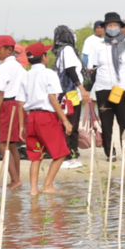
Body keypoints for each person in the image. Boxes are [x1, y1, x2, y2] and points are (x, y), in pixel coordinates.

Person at [20, 43, 72, 195]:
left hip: (31, 117)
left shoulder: (26, 75)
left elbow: (20, 102)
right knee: (61, 152)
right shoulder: (49, 73)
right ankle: (48, 185)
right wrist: (65, 120)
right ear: (43, 57)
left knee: (36, 156)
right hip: (46, 117)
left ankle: (34, 189)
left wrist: (23, 125)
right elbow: (53, 98)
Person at [91, 11, 125, 161]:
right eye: (109, 25)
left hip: (123, 87)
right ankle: (110, 152)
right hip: (103, 88)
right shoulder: (98, 45)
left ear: (120, 27)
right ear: (105, 27)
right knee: (106, 123)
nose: (112, 27)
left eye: (115, 25)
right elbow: (92, 69)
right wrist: (89, 92)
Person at [0, 34, 26, 185]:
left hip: (8, 104)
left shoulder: (3, 67)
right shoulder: (20, 67)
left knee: (3, 144)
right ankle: (16, 178)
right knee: (12, 144)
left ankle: (15, 180)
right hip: (19, 105)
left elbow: (0, 92)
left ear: (9, 50)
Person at [52, 25, 85, 163]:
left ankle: (68, 150)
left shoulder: (60, 51)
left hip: (64, 93)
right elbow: (71, 70)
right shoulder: (68, 50)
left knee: (67, 121)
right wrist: (82, 88)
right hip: (71, 93)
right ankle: (70, 151)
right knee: (72, 122)